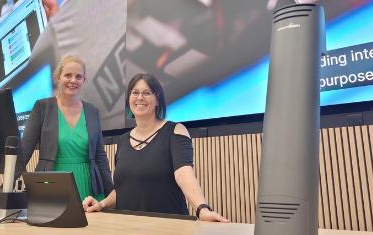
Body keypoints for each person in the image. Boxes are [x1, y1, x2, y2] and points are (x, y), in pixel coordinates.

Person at [82, 73, 229, 222]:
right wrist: (101, 204)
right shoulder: (122, 141)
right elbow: (123, 190)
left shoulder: (175, 131)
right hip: (128, 226)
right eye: (135, 93)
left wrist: (202, 209)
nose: (140, 98)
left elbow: (184, 174)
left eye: (147, 93)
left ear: (158, 100)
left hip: (169, 226)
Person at [20, 55, 113, 201]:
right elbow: (24, 152)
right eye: (68, 75)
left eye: (78, 76)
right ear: (58, 77)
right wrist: (4, 191)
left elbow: (100, 156)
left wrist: (111, 194)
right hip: (51, 184)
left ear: (84, 81)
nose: (73, 80)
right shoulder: (42, 107)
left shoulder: (92, 111)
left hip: (89, 186)